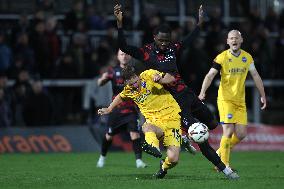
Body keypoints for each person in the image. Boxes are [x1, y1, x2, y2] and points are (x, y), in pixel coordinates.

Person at [114, 3, 239, 179]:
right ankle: (226, 171)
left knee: (212, 124)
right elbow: (124, 47)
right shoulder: (146, 53)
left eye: (167, 40)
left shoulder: (173, 48)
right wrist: (119, 24)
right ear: (154, 37)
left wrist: (199, 23)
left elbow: (190, 39)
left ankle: (183, 137)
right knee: (201, 137)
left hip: (187, 94)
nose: (164, 44)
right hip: (176, 103)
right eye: (161, 40)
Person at [198, 30, 267, 167]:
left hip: (240, 101)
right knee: (228, 131)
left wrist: (263, 95)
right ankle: (224, 165)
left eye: (236, 38)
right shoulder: (222, 57)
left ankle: (219, 152)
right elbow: (210, 75)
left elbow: (256, 76)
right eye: (231, 38)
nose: (234, 40)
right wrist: (202, 92)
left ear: (241, 40)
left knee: (241, 134)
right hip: (225, 99)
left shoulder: (247, 58)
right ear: (227, 41)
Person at [98, 66, 181, 179]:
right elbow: (120, 97)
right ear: (126, 83)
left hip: (172, 119)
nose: (135, 86)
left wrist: (161, 79)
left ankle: (164, 166)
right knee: (146, 127)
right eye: (131, 84)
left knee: (174, 159)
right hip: (154, 121)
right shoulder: (129, 89)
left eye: (136, 82)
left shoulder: (148, 74)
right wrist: (109, 109)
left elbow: (170, 78)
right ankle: (153, 147)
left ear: (137, 76)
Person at [96, 49, 146, 168]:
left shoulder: (135, 70)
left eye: (126, 54)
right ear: (117, 57)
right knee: (109, 135)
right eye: (121, 54)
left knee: (135, 134)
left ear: (129, 56)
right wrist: (102, 79)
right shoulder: (112, 71)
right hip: (116, 109)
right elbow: (100, 83)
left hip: (131, 109)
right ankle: (102, 157)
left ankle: (139, 161)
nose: (124, 56)